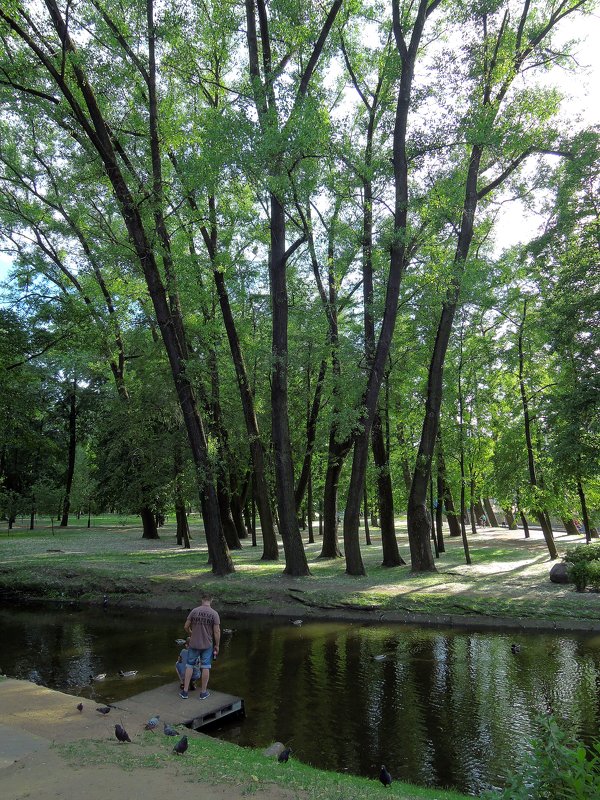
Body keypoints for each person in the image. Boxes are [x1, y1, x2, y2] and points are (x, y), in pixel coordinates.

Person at [180, 593, 220, 700]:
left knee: (189, 665)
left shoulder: (194, 611)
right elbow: (216, 632)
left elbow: (186, 626)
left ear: (202, 599)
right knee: (206, 666)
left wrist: (191, 633)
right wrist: (217, 645)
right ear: (211, 600)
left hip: (194, 643)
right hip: (207, 644)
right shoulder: (214, 614)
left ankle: (185, 692)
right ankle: (203, 693)